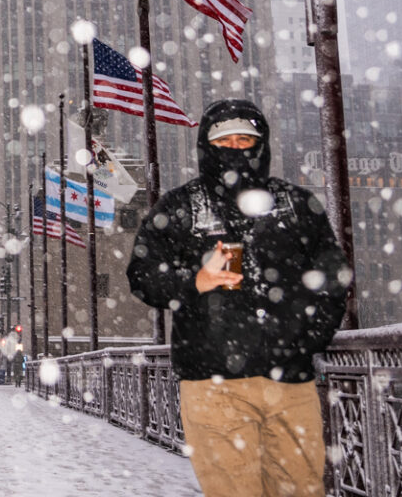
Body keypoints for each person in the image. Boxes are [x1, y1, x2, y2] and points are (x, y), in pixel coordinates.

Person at [127, 98, 349, 497]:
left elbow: (333, 279)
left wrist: (307, 339)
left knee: (303, 489)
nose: (234, 148)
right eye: (224, 141)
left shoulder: (296, 205)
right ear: (206, 146)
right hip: (212, 384)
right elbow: (142, 275)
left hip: (291, 383)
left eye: (244, 140)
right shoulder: (180, 207)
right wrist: (195, 281)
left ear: (260, 144)